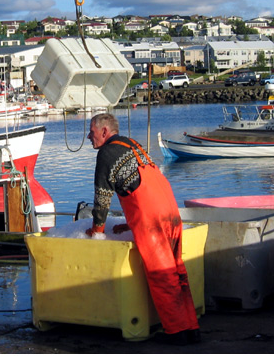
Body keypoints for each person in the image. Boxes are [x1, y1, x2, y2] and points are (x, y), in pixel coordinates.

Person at [86, 113, 200, 345]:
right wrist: (130, 223)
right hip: (170, 210)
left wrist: (97, 231)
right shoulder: (132, 144)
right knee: (177, 271)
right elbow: (140, 182)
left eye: (91, 132)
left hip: (152, 221)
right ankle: (191, 327)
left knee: (162, 274)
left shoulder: (106, 154)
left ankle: (176, 333)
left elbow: (102, 199)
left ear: (104, 132)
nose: (89, 136)